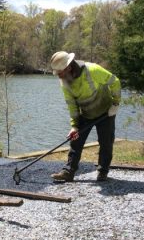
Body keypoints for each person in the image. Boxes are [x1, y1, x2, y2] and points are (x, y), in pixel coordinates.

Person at [50, 51, 121, 182]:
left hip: (106, 111)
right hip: (86, 113)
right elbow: (72, 105)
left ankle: (102, 172)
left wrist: (115, 103)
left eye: (60, 72)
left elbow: (115, 82)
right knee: (75, 142)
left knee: (106, 143)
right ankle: (68, 172)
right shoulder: (64, 82)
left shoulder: (93, 70)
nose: (58, 76)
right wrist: (74, 126)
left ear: (69, 67)